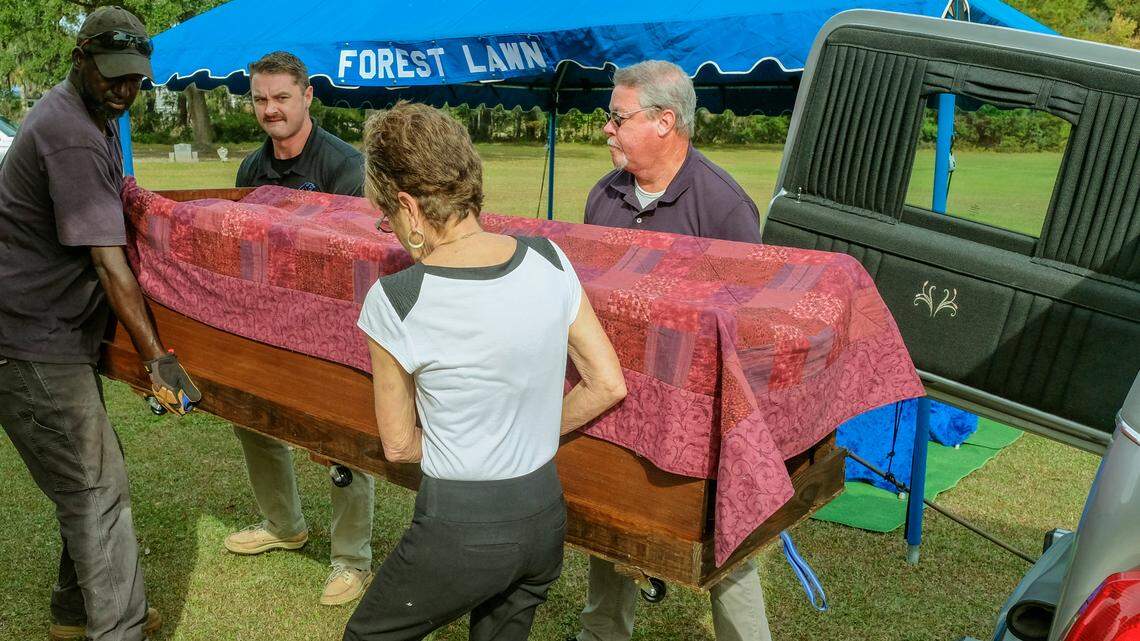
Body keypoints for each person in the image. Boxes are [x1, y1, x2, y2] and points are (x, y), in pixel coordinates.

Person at [343, 101, 627, 641]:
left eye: (387, 219)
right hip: (544, 514)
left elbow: (398, 446)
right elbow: (607, 383)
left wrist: (473, 445)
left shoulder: (396, 298)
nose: (392, 231)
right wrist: (522, 434)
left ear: (409, 206)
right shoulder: (549, 258)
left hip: (461, 525)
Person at [0, 6, 201, 640]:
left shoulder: (94, 116)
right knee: (96, 490)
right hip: (30, 340)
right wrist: (158, 359)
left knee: (83, 480)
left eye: (135, 79)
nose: (125, 89)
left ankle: (77, 613)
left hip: (44, 331)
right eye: (113, 75)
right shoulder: (71, 133)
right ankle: (119, 629)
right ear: (79, 59)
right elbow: (109, 263)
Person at [570, 60, 771, 641]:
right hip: (614, 396)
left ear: (664, 121)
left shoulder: (725, 208)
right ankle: (601, 633)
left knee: (724, 539)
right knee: (609, 515)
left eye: (618, 117)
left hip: (697, 416)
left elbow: (748, 330)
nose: (607, 128)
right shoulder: (603, 195)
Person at [224, 50, 375, 606]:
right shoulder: (250, 168)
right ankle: (283, 524)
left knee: (341, 438)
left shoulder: (345, 167)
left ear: (308, 96)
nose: (271, 109)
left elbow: (358, 258)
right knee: (251, 418)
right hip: (267, 320)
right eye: (261, 99)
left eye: (282, 97)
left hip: (334, 324)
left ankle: (351, 558)